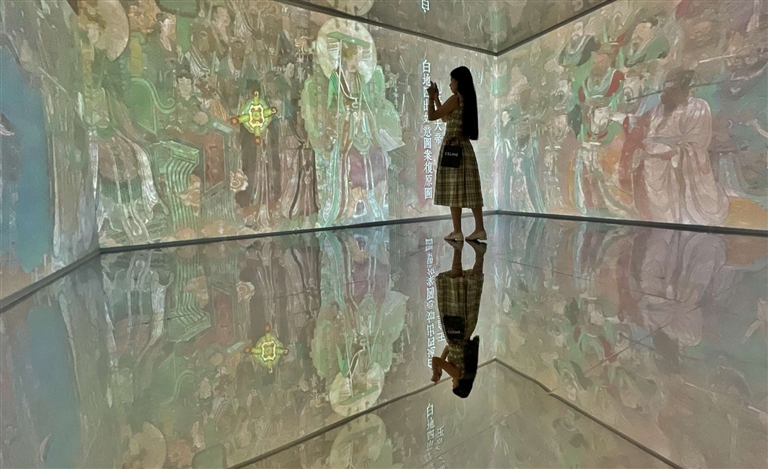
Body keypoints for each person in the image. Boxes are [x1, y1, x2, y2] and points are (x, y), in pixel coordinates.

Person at [427, 67, 486, 242]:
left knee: (454, 189)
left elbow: (432, 116)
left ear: (459, 82)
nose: (450, 84)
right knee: (471, 189)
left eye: (452, 80)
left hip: (452, 149)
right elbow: (445, 117)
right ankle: (479, 228)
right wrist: (437, 98)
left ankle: (457, 230)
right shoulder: (467, 100)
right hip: (465, 148)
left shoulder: (455, 99)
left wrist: (430, 98)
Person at [430, 240, 485, 398]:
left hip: (464, 329)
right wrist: (436, 372)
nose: (452, 383)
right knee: (453, 287)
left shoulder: (465, 367)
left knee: (470, 290)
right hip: (455, 328)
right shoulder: (457, 373)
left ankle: (479, 254)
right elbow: (435, 360)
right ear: (459, 385)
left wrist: (441, 366)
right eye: (453, 385)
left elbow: (449, 349)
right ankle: (458, 249)